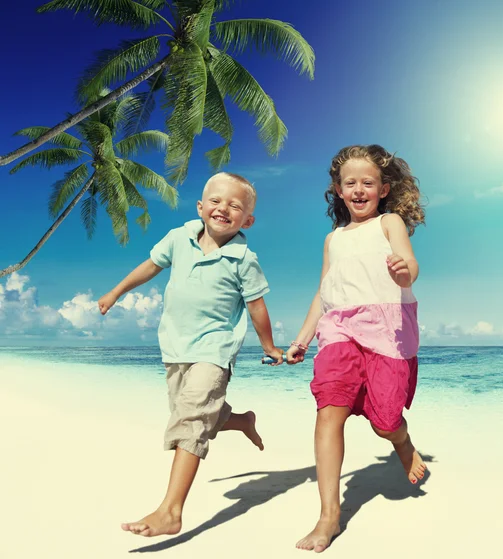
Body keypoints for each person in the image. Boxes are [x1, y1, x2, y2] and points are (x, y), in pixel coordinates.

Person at [98, 172, 283, 537]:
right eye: (215, 201)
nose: (223, 209)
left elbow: (257, 306)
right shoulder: (178, 238)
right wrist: (116, 291)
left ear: (248, 220)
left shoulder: (243, 259)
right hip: (175, 345)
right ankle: (241, 420)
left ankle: (171, 510)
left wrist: (269, 346)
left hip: (215, 348)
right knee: (188, 412)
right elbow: (150, 266)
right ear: (200, 207)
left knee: (192, 418)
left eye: (235, 205)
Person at [286, 145, 426, 553]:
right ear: (338, 190)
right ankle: (329, 515)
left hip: (386, 329)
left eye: (368, 183)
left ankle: (401, 441)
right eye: (351, 183)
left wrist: (403, 272)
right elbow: (324, 293)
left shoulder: (389, 222)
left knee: (384, 421)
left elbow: (410, 263)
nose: (359, 190)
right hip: (339, 330)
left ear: (383, 189)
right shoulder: (333, 239)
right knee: (329, 408)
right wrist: (303, 338)